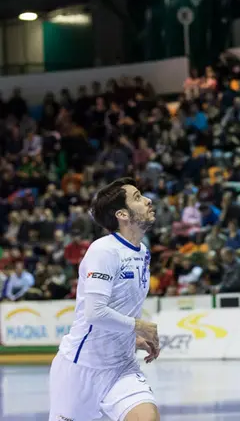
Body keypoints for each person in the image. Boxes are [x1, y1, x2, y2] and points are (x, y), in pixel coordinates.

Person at [48, 178, 160, 421]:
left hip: (121, 367)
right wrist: (138, 326)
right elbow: (95, 313)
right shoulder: (103, 250)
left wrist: (132, 338)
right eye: (138, 197)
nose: (148, 200)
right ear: (122, 214)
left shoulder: (142, 251)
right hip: (80, 368)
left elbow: (121, 306)